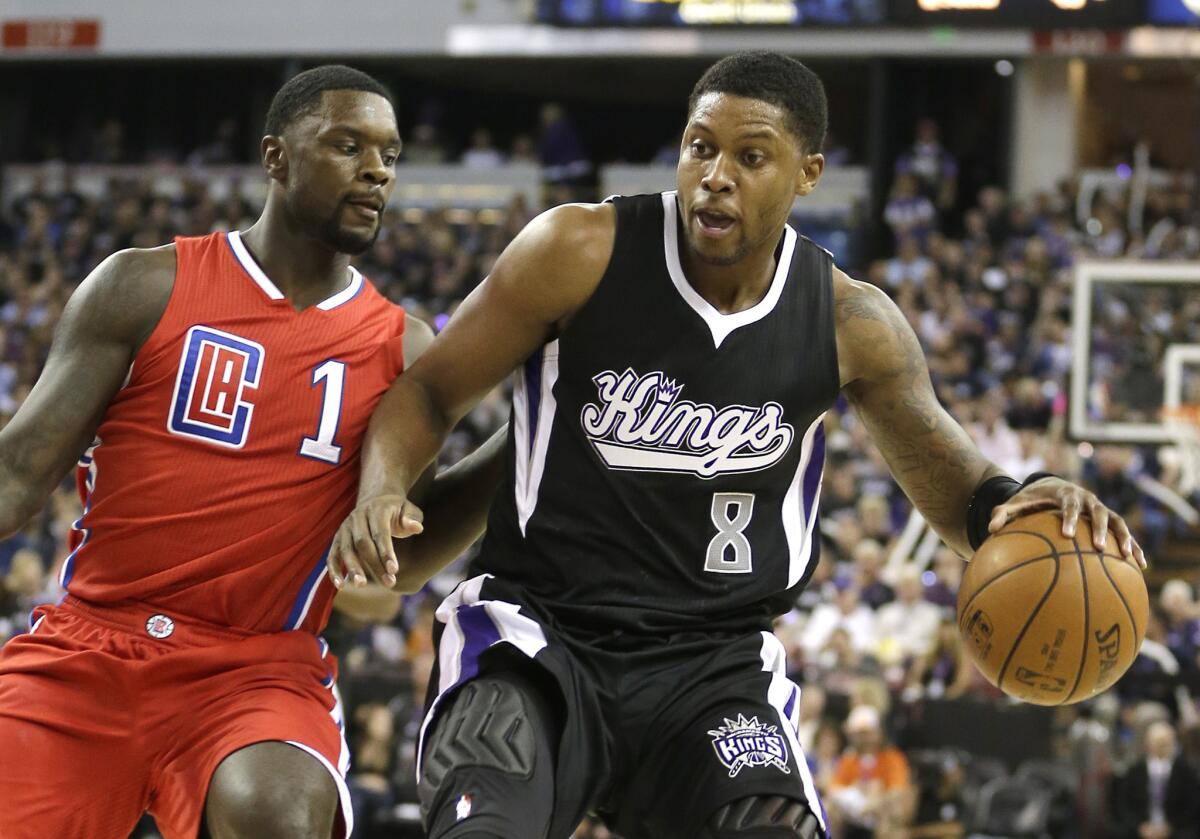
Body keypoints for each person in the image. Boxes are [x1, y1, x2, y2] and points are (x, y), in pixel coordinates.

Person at [332, 51, 1145, 839]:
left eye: (751, 156)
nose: (715, 174)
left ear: (808, 175)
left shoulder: (846, 320)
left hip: (712, 666)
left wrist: (1021, 504)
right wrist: (382, 488)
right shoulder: (578, 250)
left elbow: (959, 488)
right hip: (541, 635)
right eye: (700, 146)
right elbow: (430, 389)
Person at [0, 65, 501, 839]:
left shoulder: (404, 348)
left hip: (257, 667)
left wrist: (519, 447)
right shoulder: (142, 285)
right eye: (348, 145)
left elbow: (397, 556)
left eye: (391, 154)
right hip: (90, 643)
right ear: (275, 157)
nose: (377, 170)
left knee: (276, 813)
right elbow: (16, 474)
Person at [1111, 720, 1200, 839]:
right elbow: (1124, 805)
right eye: (1158, 743)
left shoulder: (1185, 771)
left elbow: (1192, 806)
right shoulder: (1134, 771)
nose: (1162, 747)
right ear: (1147, 744)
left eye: (1165, 743)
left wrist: (1170, 827)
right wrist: (1141, 827)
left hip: (1176, 830)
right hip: (1140, 830)